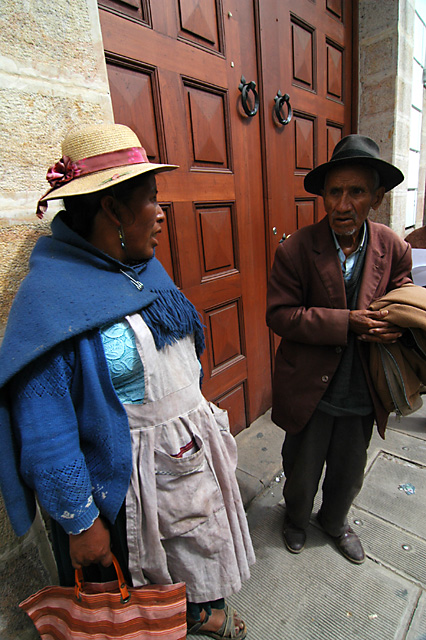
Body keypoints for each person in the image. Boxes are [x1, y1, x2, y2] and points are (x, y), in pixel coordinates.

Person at [0, 123, 254, 639]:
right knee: (138, 583)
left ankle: (195, 613)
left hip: (183, 461)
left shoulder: (139, 270)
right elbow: (46, 433)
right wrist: (81, 522)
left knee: (191, 554)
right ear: (113, 210)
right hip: (124, 487)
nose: (162, 213)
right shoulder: (50, 300)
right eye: (151, 200)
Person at [266, 135, 412, 564]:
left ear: (376, 199)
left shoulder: (392, 246)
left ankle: (334, 521)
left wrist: (394, 322)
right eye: (335, 192)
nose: (343, 205)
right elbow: (280, 315)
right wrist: (346, 322)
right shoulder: (296, 249)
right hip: (309, 387)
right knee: (301, 470)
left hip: (362, 387)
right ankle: (295, 519)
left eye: (357, 192)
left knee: (349, 472)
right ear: (323, 196)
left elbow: (403, 291)